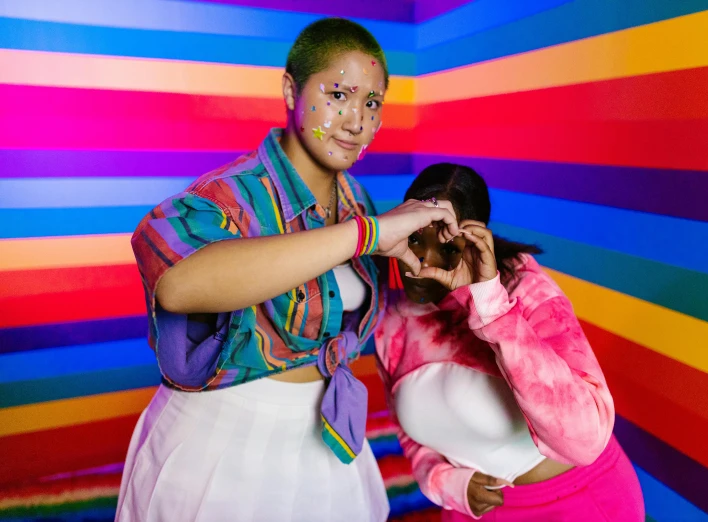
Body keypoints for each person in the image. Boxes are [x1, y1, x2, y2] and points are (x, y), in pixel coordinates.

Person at [115, 19, 461, 522]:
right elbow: (178, 284)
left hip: (325, 438)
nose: (357, 121)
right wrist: (366, 235)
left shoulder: (357, 202)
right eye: (339, 94)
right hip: (221, 445)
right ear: (289, 90)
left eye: (372, 103)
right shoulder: (229, 196)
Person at [375, 163, 645, 521]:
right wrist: (446, 483)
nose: (422, 260)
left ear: (473, 238)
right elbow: (409, 432)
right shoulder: (393, 321)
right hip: (473, 512)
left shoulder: (526, 290)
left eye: (444, 243)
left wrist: (490, 308)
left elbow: (584, 439)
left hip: (576, 503)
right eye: (413, 237)